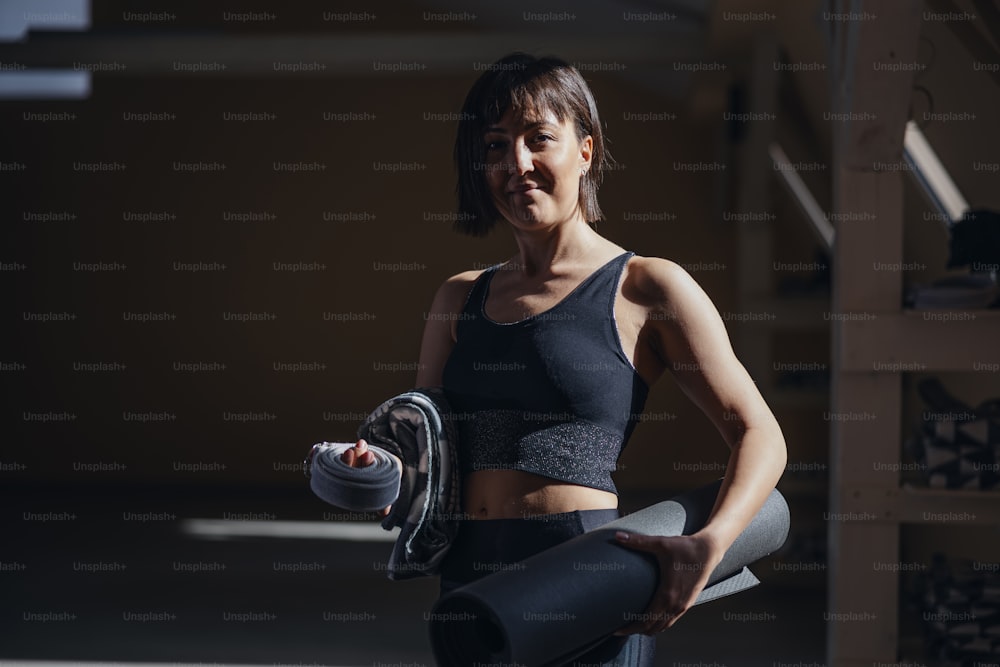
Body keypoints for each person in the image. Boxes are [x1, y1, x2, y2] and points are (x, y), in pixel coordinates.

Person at [340, 52, 787, 665]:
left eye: (538, 138)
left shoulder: (646, 287)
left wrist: (711, 543)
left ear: (586, 150)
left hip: (586, 580)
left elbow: (759, 433)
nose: (516, 164)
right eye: (495, 146)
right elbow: (428, 448)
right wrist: (382, 471)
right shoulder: (457, 297)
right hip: (470, 581)